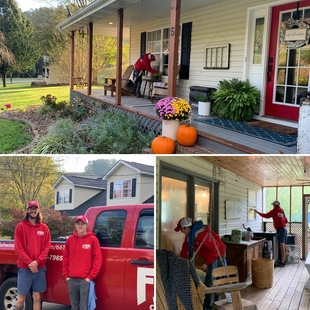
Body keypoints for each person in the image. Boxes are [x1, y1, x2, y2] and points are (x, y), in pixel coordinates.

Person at [175, 217, 228, 310]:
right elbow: (185, 250)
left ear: (186, 228)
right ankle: (216, 299)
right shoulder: (190, 237)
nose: (181, 232)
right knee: (212, 280)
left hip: (217, 255)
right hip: (211, 255)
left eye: (181, 230)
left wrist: (207, 263)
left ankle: (208, 306)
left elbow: (214, 250)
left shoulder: (201, 235)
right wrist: (181, 263)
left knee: (209, 282)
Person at [14, 200, 51, 310]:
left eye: (35, 208)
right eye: (31, 208)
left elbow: (46, 247)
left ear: (38, 210)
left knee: (37, 297)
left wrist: (37, 262)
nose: (33, 210)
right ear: (27, 210)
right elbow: (18, 248)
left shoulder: (44, 228)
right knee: (21, 298)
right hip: (25, 268)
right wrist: (30, 263)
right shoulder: (20, 227)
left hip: (39, 268)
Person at [62, 215, 102, 310]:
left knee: (84, 306)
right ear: (75, 225)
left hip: (85, 280)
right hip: (72, 279)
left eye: (82, 224)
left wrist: (90, 277)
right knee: (74, 306)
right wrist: (66, 275)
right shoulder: (70, 240)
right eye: (78, 224)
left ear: (86, 225)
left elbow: (98, 259)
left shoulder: (93, 240)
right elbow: (65, 258)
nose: (80, 226)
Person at [254, 200, 288, 267]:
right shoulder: (282, 210)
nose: (273, 206)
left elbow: (266, 215)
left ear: (275, 205)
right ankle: (284, 260)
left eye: (273, 205)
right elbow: (286, 220)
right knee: (284, 246)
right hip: (284, 229)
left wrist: (258, 212)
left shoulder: (274, 211)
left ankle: (282, 262)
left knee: (281, 246)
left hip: (280, 229)